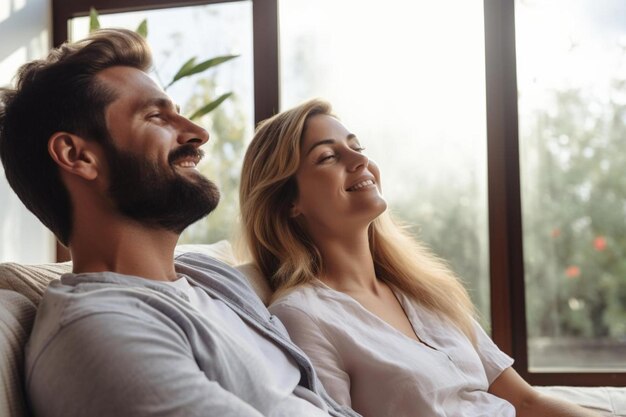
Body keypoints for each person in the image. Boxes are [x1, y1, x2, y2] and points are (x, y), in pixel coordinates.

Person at [0, 30, 360, 417]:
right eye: (157, 116)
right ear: (78, 156)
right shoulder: (103, 333)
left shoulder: (206, 275)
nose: (198, 133)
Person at [239, 99, 602, 417]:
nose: (360, 159)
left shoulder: (423, 291)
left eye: (357, 146)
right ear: (289, 203)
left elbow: (526, 403)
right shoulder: (304, 316)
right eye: (329, 156)